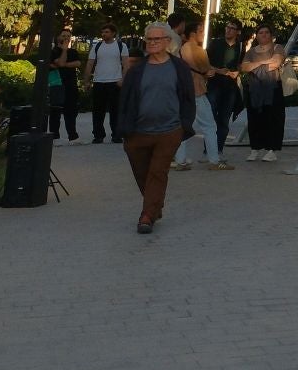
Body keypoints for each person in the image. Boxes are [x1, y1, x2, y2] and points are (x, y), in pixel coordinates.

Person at [119, 22, 195, 234]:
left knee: (157, 172)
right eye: (149, 39)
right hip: (138, 132)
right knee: (142, 172)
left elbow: (188, 98)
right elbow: (125, 100)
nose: (152, 43)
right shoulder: (137, 70)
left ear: (167, 41)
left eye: (156, 39)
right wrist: (123, 128)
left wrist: (184, 125)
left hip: (169, 130)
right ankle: (155, 206)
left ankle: (147, 216)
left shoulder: (179, 68)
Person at [172, 16, 225, 171]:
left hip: (182, 91)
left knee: (183, 126)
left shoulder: (183, 48)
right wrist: (216, 71)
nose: (203, 34)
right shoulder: (198, 50)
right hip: (197, 91)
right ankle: (214, 161)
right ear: (193, 34)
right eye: (201, 31)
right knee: (209, 126)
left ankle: (180, 161)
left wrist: (215, 70)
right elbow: (206, 69)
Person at [239, 26, 287, 161]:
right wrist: (263, 62)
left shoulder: (277, 48)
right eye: (261, 33)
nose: (264, 35)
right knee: (254, 119)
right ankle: (255, 148)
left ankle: (272, 150)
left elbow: (276, 63)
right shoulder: (251, 51)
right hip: (254, 89)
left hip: (273, 88)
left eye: (266, 32)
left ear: (271, 35)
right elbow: (244, 67)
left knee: (273, 119)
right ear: (257, 35)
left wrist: (254, 66)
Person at [206, 21, 246, 158]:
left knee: (224, 119)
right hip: (214, 85)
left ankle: (218, 150)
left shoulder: (240, 46)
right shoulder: (215, 43)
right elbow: (205, 62)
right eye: (227, 27)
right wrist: (218, 71)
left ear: (238, 32)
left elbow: (240, 65)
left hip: (230, 87)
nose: (228, 30)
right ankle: (208, 149)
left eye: (232, 28)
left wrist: (238, 72)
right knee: (211, 118)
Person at [85, 23, 130, 143]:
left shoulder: (121, 46)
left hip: (115, 82)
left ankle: (116, 134)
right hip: (99, 81)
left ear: (113, 33)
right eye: (103, 32)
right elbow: (90, 63)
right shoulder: (97, 46)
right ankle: (98, 135)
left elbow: (126, 64)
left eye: (107, 32)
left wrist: (123, 79)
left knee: (115, 110)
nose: (104, 34)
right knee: (98, 110)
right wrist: (87, 81)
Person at [45, 23, 81, 142]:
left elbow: (78, 63)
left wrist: (64, 64)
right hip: (57, 84)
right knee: (55, 111)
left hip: (71, 84)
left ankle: (73, 136)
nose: (66, 38)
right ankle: (54, 136)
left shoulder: (73, 52)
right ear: (58, 37)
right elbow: (60, 63)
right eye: (63, 36)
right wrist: (64, 51)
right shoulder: (54, 51)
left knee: (71, 111)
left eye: (68, 36)